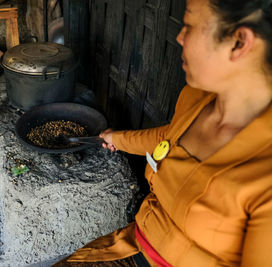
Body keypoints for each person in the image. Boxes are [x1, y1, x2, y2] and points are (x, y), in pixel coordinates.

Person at [53, 0, 272, 266]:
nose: (179, 37)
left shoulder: (264, 174)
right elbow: (168, 140)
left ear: (239, 42)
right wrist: (115, 139)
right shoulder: (196, 98)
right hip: (133, 246)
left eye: (189, 24)